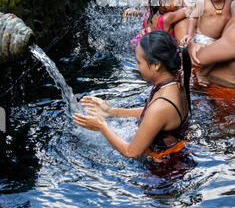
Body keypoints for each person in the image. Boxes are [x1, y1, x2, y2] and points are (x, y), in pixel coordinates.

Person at [73, 30, 191, 161]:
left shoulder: (162, 105)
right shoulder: (174, 81)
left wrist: (101, 126)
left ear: (156, 65)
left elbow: (131, 152)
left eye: (139, 62)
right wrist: (113, 112)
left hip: (164, 170)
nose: (136, 66)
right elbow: (154, 117)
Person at [123, 0, 192, 45]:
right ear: (163, 5)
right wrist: (185, 1)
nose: (178, 2)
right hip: (157, 47)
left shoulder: (149, 14)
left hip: (139, 41)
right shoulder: (168, 18)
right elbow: (189, 9)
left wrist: (138, 13)